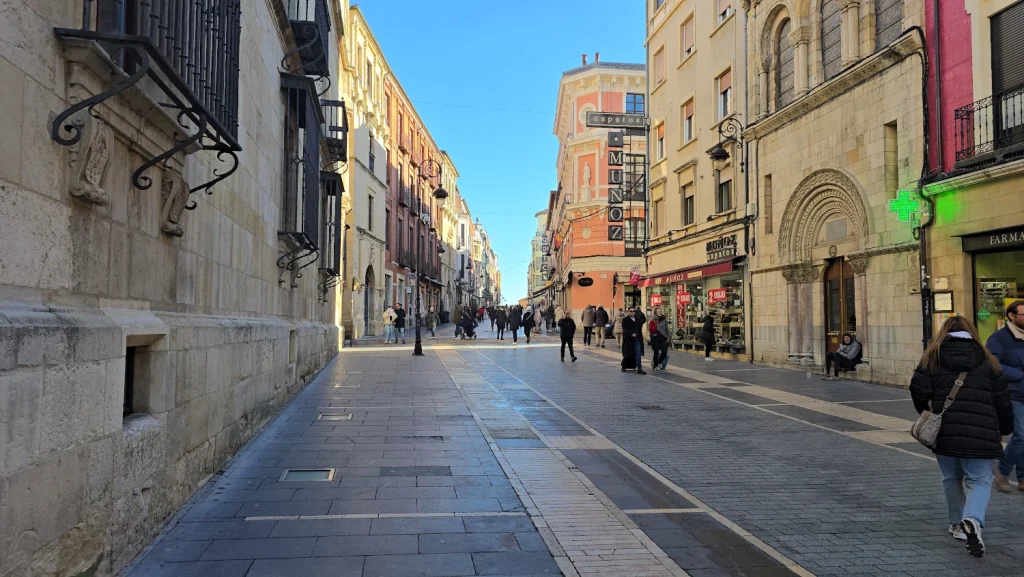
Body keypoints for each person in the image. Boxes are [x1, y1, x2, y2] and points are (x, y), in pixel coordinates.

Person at [910, 316, 1012, 558]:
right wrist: (1005, 427)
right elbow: (1002, 399)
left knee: (951, 478)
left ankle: (957, 524)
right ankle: (973, 519)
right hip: (982, 430)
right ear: (972, 332)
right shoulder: (987, 360)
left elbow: (917, 389)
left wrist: (929, 411)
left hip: (944, 430)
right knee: (979, 480)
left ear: (943, 332)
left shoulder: (932, 358)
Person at [989, 300, 1024, 493]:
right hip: (1013, 393)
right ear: (1011, 316)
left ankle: (1022, 477)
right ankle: (1002, 471)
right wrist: (1020, 375)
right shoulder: (999, 338)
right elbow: (994, 364)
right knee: (1021, 437)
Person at [620, 308, 645, 375]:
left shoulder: (638, 320)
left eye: (633, 311)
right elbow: (625, 329)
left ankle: (639, 368)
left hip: (637, 339)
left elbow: (639, 329)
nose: (632, 312)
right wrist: (631, 334)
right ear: (628, 312)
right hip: (629, 340)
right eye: (631, 311)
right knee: (628, 354)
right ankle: (624, 366)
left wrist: (641, 337)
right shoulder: (625, 320)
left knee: (638, 354)